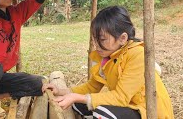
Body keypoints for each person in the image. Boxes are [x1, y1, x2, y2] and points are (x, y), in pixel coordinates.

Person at [42, 6, 174, 119]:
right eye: (95, 39)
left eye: (102, 39)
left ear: (122, 38)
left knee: (102, 113)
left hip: (149, 111)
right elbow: (92, 87)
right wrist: (61, 91)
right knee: (77, 103)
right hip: (129, 106)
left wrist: (78, 97)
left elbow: (120, 97)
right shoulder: (107, 56)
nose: (97, 45)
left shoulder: (137, 55)